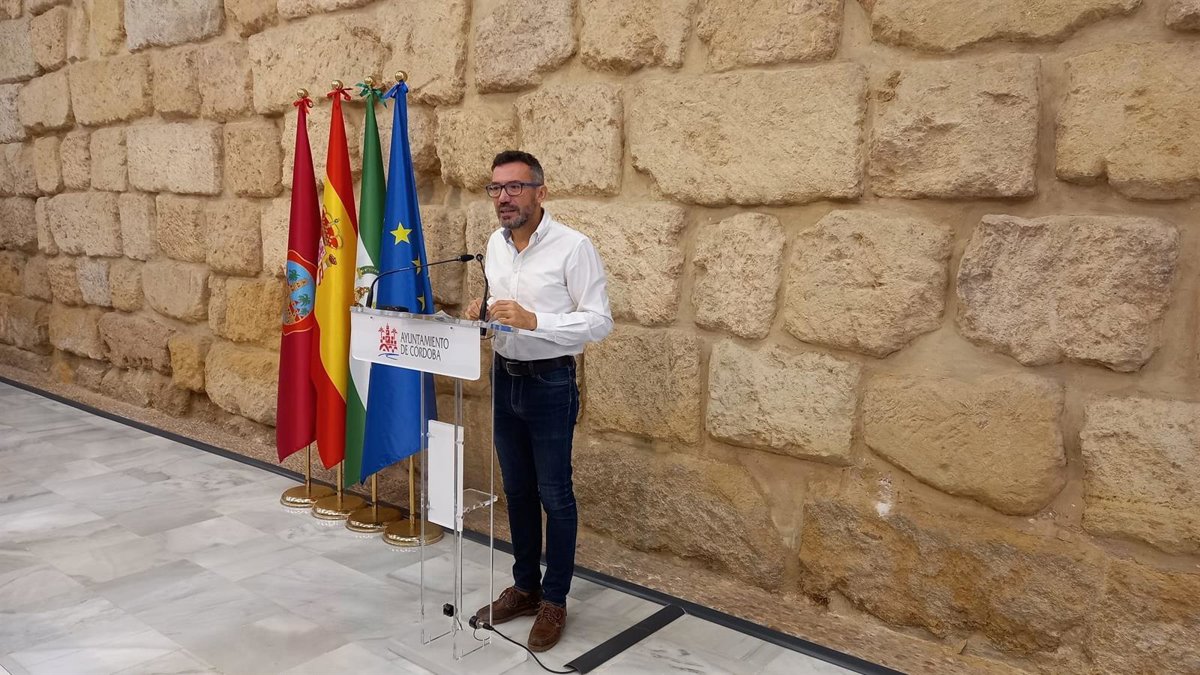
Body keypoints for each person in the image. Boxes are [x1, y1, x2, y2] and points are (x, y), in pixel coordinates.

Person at [467, 150, 613, 652]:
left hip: (551, 382)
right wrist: (483, 311)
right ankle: (525, 587)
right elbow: (500, 304)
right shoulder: (496, 244)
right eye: (495, 189)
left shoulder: (574, 247)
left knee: (555, 494)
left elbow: (599, 321)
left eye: (514, 187)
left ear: (540, 192)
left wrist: (535, 321)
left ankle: (554, 600)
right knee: (517, 491)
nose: (503, 198)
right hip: (504, 377)